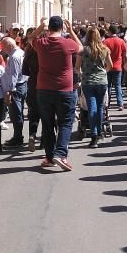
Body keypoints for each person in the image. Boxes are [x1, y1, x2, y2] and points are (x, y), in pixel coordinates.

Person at [33, 16, 83, 171]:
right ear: (62, 27)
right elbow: (80, 47)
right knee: (66, 123)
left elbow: (31, 37)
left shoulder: (41, 43)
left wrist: (41, 26)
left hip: (44, 89)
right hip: (64, 89)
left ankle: (49, 157)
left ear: (49, 28)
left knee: (47, 124)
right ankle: (60, 154)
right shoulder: (68, 44)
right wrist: (72, 31)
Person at [76, 27, 113, 148]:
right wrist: (103, 73)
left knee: (92, 107)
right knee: (100, 107)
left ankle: (94, 135)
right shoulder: (105, 49)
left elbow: (77, 67)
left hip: (88, 82)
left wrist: (82, 74)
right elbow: (110, 65)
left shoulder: (83, 50)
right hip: (102, 81)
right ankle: (100, 132)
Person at [0, 37, 28, 147]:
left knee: (16, 114)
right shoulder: (21, 52)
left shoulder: (14, 57)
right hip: (22, 85)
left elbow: (13, 75)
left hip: (16, 87)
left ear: (9, 46)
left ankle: (18, 138)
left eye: (3, 47)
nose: (2, 49)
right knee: (18, 113)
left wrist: (9, 91)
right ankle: (18, 136)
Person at [22, 29, 41, 152]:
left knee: (33, 113)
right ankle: (45, 140)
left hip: (32, 84)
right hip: (45, 83)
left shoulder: (28, 52)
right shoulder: (44, 52)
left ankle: (32, 135)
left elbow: (24, 71)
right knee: (46, 114)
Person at [103, 24, 127, 111]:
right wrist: (125, 65)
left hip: (108, 67)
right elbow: (125, 55)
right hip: (118, 67)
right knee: (118, 86)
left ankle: (107, 103)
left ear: (109, 31)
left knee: (108, 85)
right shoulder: (121, 41)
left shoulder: (106, 42)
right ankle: (120, 104)